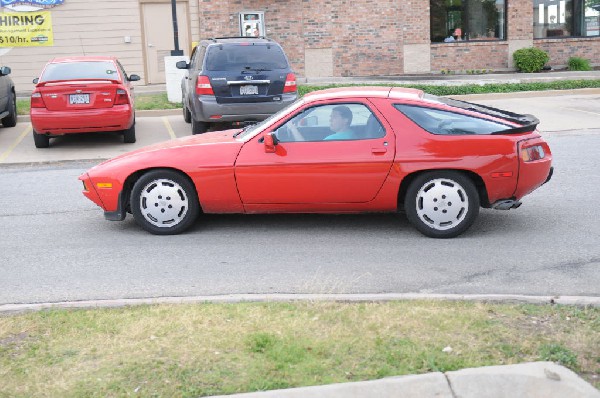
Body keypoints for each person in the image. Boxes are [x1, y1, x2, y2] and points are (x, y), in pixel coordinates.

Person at [288, 105, 355, 141]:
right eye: (330, 117)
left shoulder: (331, 139)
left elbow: (305, 150)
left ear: (346, 120)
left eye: (334, 117)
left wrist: (292, 128)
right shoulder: (351, 133)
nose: (330, 120)